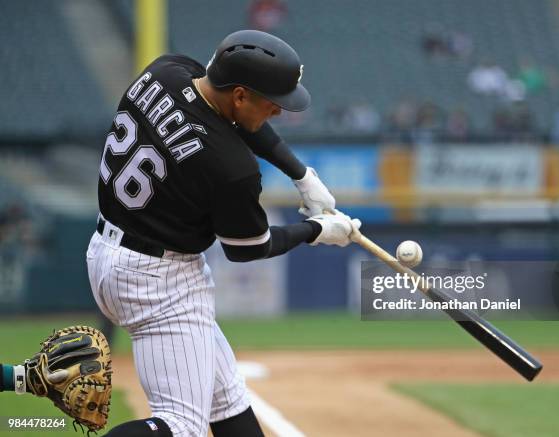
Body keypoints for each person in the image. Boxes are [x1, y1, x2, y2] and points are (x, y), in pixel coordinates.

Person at [86, 29, 360, 437]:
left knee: (227, 400)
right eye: (272, 103)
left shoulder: (168, 70)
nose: (279, 113)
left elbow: (229, 119)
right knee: (181, 426)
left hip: (110, 250)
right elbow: (250, 248)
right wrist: (316, 230)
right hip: (158, 280)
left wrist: (301, 174)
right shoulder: (232, 168)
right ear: (240, 95)